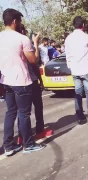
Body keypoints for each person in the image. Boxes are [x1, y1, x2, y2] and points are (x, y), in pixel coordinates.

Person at [0, 8, 46, 155]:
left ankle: (8, 146)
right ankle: (28, 144)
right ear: (14, 21)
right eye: (19, 21)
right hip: (21, 81)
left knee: (10, 112)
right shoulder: (22, 38)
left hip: (6, 80)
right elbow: (33, 60)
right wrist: (35, 44)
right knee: (24, 113)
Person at [16, 24, 53, 144]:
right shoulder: (26, 44)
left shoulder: (11, 45)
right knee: (37, 107)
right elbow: (35, 61)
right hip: (31, 80)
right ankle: (39, 131)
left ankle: (21, 135)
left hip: (17, 81)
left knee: (22, 111)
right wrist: (35, 43)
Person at [65, 16, 88, 125]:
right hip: (86, 69)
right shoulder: (87, 37)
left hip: (75, 71)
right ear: (83, 25)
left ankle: (80, 118)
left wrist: (71, 67)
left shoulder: (68, 39)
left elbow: (67, 55)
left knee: (78, 94)